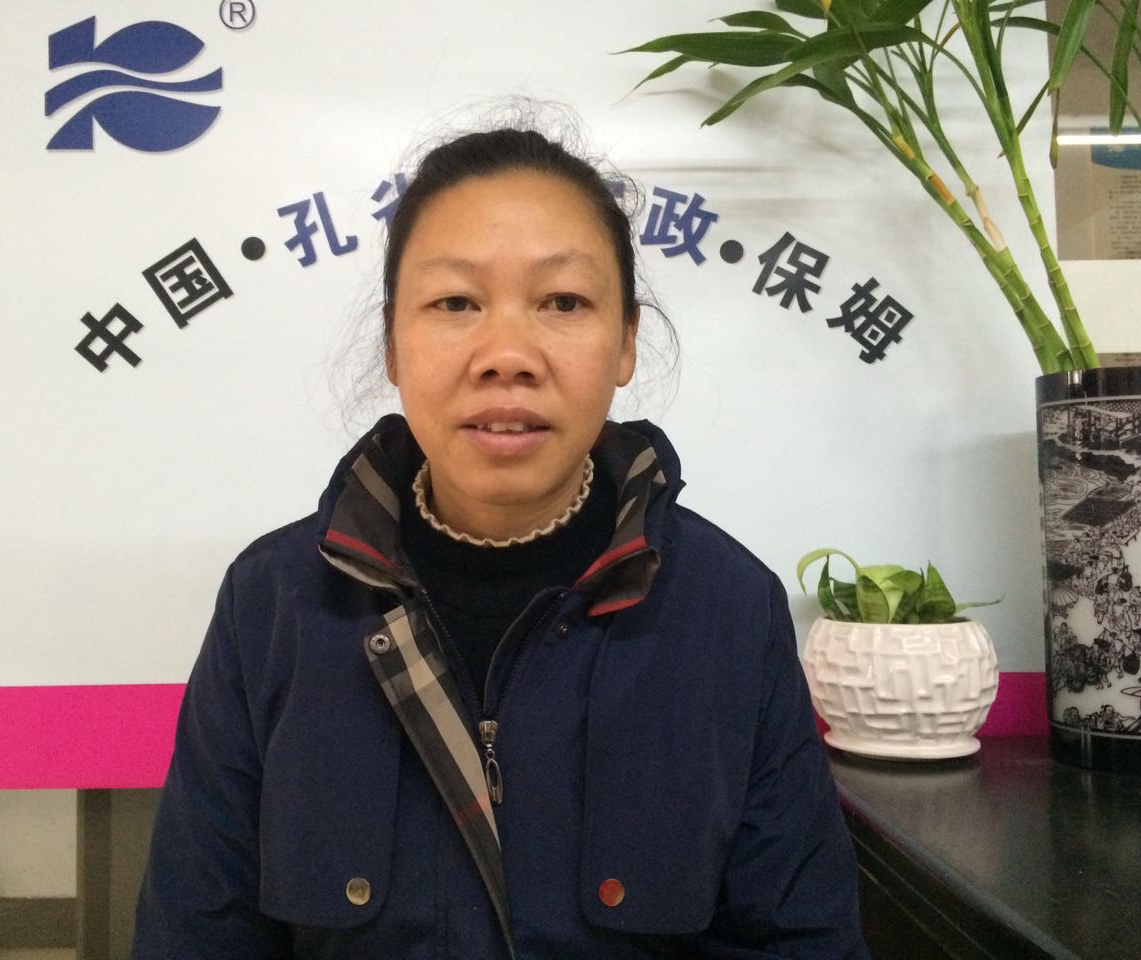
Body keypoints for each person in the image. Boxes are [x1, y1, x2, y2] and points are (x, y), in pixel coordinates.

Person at [131, 124, 868, 959]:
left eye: (564, 302)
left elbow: (800, 941)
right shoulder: (274, 603)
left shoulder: (727, 608)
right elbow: (197, 935)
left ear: (626, 342)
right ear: (393, 345)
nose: (508, 356)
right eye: (455, 303)